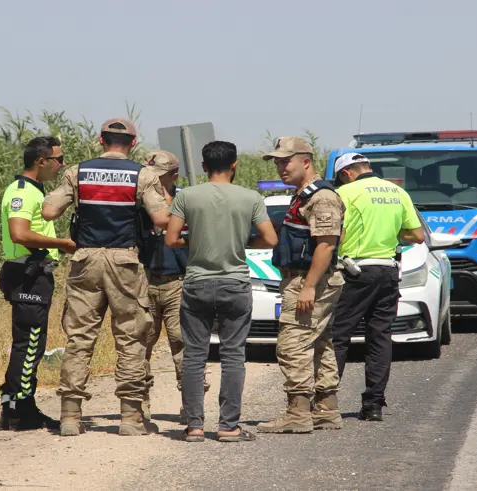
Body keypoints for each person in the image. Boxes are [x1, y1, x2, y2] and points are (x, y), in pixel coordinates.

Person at [41, 118, 170, 437]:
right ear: (134, 143)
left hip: (85, 259)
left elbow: (48, 212)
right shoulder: (143, 174)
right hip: (124, 260)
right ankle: (130, 417)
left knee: (80, 337)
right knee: (130, 337)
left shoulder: (78, 172)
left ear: (101, 139)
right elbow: (161, 218)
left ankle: (70, 416)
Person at [165, 140, 277, 443]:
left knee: (194, 357)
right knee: (233, 356)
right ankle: (229, 427)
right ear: (235, 164)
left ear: (203, 166)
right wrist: (242, 244)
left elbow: (172, 239)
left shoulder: (187, 196)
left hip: (197, 284)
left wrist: (196, 243)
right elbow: (270, 239)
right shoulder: (250, 197)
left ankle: (195, 427)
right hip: (236, 284)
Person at [256, 137, 345, 434]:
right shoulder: (304, 195)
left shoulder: (322, 197)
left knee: (292, 344)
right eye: (278, 162)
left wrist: (308, 286)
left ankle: (298, 412)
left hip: (311, 280)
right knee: (319, 343)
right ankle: (325, 408)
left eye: (286, 162)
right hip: (305, 278)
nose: (281, 168)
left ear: (305, 162)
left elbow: (326, 245)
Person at [330, 152, 425, 421]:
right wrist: (392, 234)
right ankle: (373, 404)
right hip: (388, 272)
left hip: (356, 272)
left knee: (338, 335)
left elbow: (340, 234)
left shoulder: (346, 193)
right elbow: (417, 235)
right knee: (379, 336)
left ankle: (327, 402)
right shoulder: (398, 192)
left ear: (346, 173)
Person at [0, 136, 76, 431]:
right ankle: (19, 409)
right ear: (41, 161)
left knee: (31, 342)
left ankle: (17, 405)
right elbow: (19, 233)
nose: (62, 164)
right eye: (59, 159)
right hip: (27, 273)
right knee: (30, 344)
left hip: (35, 273)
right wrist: (63, 243)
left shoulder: (35, 190)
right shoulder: (21, 192)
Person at [139, 150, 209, 424]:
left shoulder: (187, 202)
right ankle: (140, 403)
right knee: (140, 344)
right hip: (143, 281)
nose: (153, 182)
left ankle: (191, 404)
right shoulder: (139, 202)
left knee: (184, 344)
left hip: (178, 283)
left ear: (174, 176)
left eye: (160, 177)